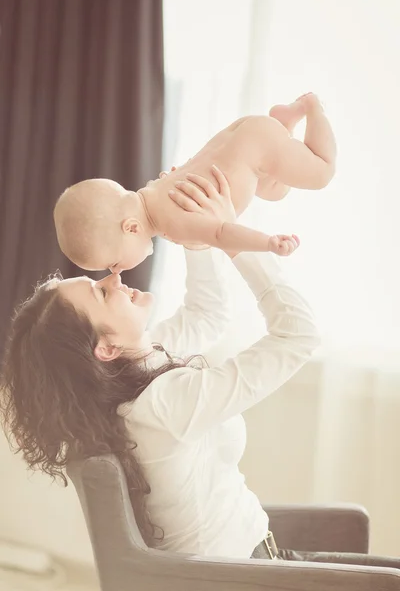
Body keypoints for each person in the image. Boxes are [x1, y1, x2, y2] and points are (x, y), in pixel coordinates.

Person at [2, 173, 398, 571]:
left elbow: (207, 315)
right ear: (104, 348)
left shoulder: (137, 368)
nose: (115, 277)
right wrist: (230, 236)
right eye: (101, 293)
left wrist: (198, 237)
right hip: (245, 577)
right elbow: (298, 335)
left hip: (259, 561)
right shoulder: (160, 405)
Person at [53, 92, 336, 273]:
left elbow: (221, 233)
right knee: (275, 190)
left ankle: (312, 108)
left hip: (258, 146)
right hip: (243, 136)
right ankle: (285, 122)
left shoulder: (170, 223)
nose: (116, 273)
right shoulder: (154, 189)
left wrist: (268, 243)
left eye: (113, 265)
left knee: (322, 172)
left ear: (131, 227)